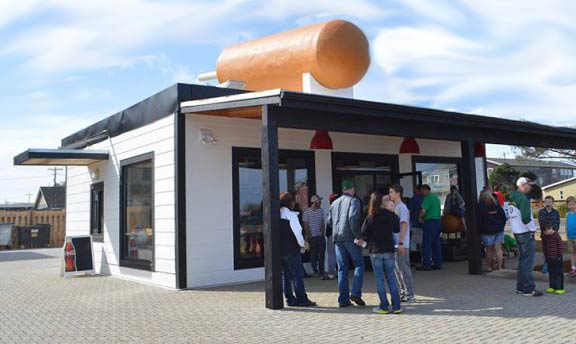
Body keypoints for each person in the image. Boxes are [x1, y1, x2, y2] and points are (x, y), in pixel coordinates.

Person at [327, 180, 365, 307]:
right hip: (350, 237)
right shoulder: (354, 201)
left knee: (342, 269)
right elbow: (353, 219)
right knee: (359, 264)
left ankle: (343, 300)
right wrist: (359, 235)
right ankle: (355, 293)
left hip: (337, 238)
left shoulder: (334, 203)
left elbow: (329, 222)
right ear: (352, 189)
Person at [361, 193, 402, 314]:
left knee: (379, 279)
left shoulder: (370, 217)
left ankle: (384, 306)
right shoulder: (391, 215)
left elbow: (363, 233)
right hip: (389, 250)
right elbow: (397, 229)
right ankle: (397, 306)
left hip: (375, 251)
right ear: (383, 203)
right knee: (391, 277)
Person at [279, 192, 316, 307]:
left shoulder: (276, 214)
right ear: (290, 202)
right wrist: (302, 244)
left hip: (279, 250)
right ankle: (302, 299)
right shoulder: (290, 215)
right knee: (297, 275)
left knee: (285, 275)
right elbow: (297, 232)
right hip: (291, 249)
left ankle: (290, 300)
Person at [507, 177, 542, 296]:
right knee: (528, 262)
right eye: (528, 185)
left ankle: (521, 287)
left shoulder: (512, 199)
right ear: (522, 185)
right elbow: (526, 218)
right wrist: (532, 229)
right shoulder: (522, 199)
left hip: (517, 233)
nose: (530, 188)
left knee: (522, 261)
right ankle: (528, 289)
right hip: (526, 234)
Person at [389, 184, 416, 302]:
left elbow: (404, 225)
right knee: (397, 269)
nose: (390, 194)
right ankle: (402, 291)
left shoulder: (402, 208)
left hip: (401, 243)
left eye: (391, 192)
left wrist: (401, 242)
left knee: (404, 268)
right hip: (395, 242)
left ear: (398, 193)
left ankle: (409, 293)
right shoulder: (394, 207)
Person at [477, 190, 506, 272]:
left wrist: (480, 230)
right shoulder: (496, 204)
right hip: (499, 229)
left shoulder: (481, 206)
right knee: (498, 249)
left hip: (487, 231)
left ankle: (489, 267)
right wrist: (501, 226)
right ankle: (500, 268)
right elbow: (503, 216)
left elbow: (479, 220)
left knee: (489, 250)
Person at [417, 184, 442, 271]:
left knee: (426, 244)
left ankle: (426, 264)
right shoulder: (436, 198)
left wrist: (420, 218)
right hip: (438, 222)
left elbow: (423, 210)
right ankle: (438, 263)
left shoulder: (427, 198)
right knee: (436, 243)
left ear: (425, 190)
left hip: (430, 222)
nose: (422, 193)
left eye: (422, 191)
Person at [303, 195, 326, 277]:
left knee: (322, 254)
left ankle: (321, 271)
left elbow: (322, 223)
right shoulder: (306, 212)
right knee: (313, 254)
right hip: (312, 237)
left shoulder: (321, 211)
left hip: (320, 236)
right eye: (318, 201)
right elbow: (306, 225)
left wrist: (323, 234)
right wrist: (309, 236)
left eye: (320, 201)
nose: (320, 202)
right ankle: (315, 270)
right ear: (313, 202)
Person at [541, 222, 565, 294]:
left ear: (551, 228)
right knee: (551, 272)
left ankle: (560, 288)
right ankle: (552, 286)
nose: (547, 233)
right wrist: (545, 255)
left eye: (548, 231)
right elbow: (544, 247)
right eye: (545, 232)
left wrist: (560, 255)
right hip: (549, 257)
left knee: (558, 273)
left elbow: (560, 245)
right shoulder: (545, 236)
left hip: (557, 257)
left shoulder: (556, 235)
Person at [324, 193, 339, 280]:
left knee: (331, 254)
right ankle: (339, 271)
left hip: (332, 234)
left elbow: (329, 223)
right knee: (339, 254)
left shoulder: (332, 208)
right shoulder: (340, 208)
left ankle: (331, 272)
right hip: (340, 234)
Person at [408, 185, 424, 252]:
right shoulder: (426, 198)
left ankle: (417, 256)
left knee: (414, 241)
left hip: (415, 222)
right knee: (423, 240)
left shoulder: (414, 199)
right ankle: (424, 256)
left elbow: (409, 211)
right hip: (425, 223)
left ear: (417, 190)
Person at [566, 196, 576, 277]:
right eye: (569, 204)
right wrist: (567, 235)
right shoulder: (568, 214)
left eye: (573, 204)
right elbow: (566, 225)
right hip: (570, 237)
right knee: (572, 253)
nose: (571, 206)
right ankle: (573, 269)